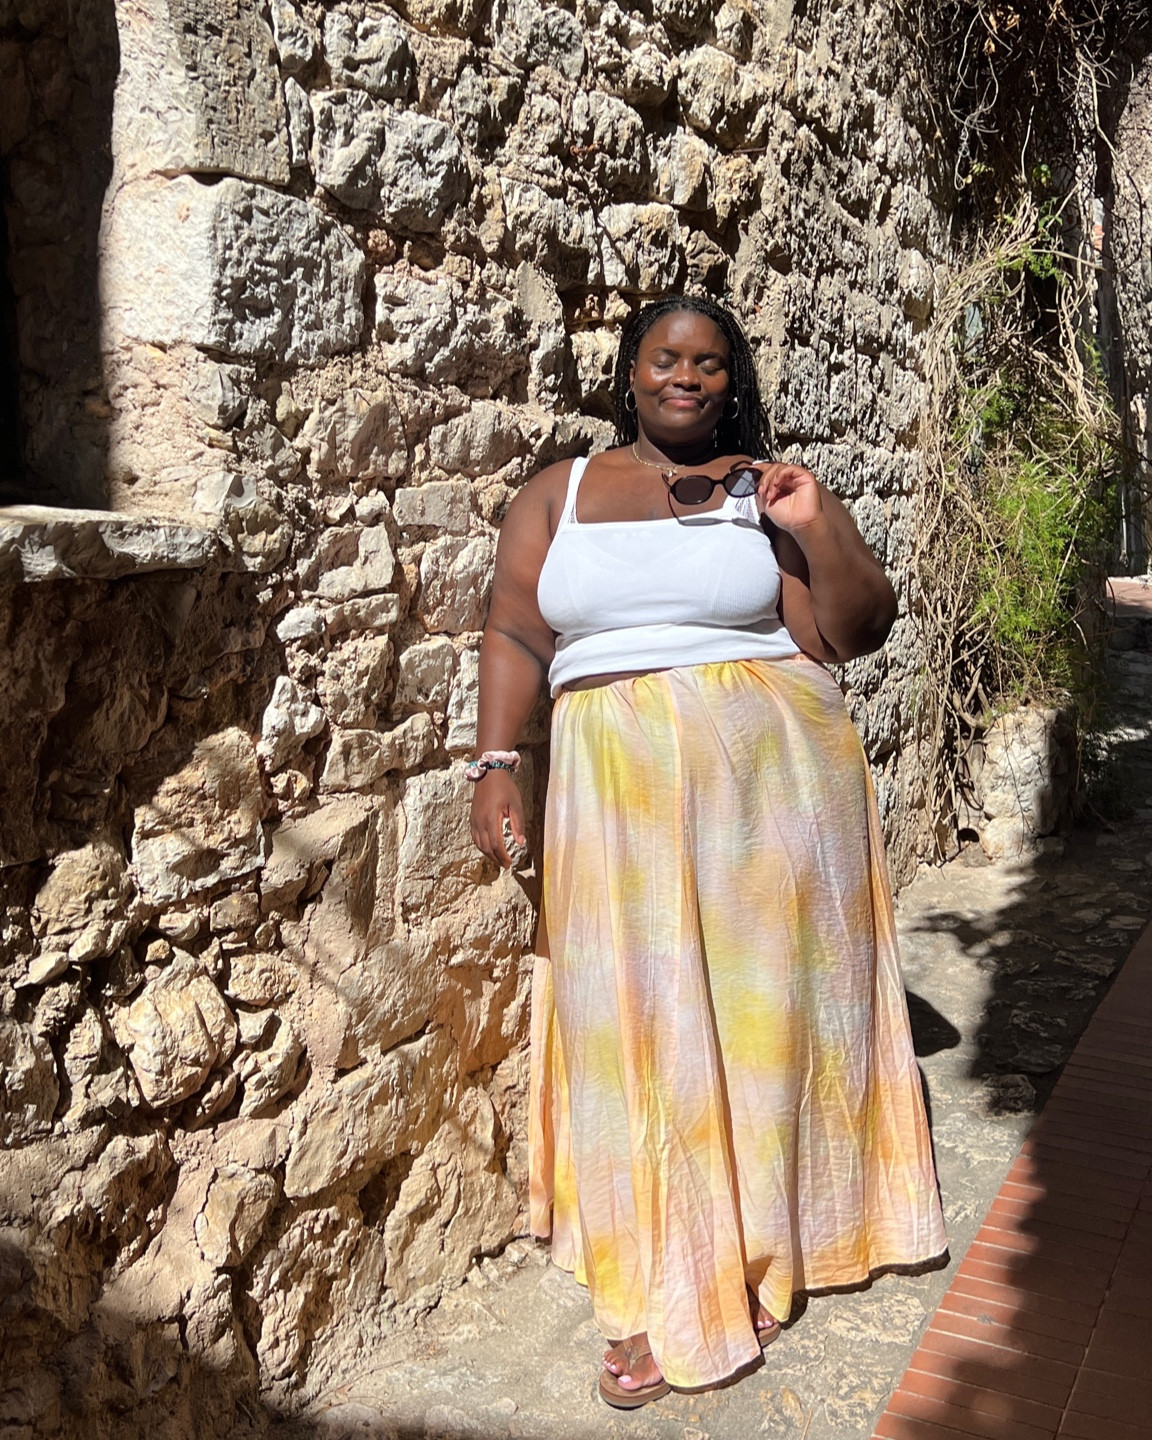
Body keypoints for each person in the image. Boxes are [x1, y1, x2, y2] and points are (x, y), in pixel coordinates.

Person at [467, 294, 947, 1409]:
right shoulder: (561, 493)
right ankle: (666, 1255)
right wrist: (494, 761)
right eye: (666, 358)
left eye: (710, 363)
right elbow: (515, 628)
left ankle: (750, 1252)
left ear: (731, 380)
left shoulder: (761, 489)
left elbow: (853, 631)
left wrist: (817, 520)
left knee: (758, 1026)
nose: (687, 377)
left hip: (766, 787)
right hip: (612, 792)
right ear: (629, 371)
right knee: (638, 1023)